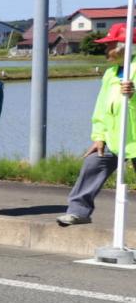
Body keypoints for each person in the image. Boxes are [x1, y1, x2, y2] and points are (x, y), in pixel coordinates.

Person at [57, 23, 136, 226]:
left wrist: (133, 95)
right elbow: (101, 108)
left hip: (134, 138)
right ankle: (79, 212)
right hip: (113, 137)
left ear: (123, 47)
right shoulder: (110, 73)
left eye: (108, 45)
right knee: (92, 164)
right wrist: (99, 135)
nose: (105, 50)